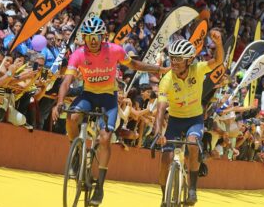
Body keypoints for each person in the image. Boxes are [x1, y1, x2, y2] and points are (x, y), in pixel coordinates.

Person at [51, 17, 169, 206]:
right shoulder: (78, 54)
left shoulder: (115, 50)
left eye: (96, 36)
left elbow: (136, 66)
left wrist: (161, 69)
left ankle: (100, 186)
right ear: (84, 38)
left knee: (105, 138)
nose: (93, 41)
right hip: (88, 95)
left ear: (103, 36)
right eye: (89, 37)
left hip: (108, 98)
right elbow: (67, 81)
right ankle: (76, 155)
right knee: (72, 116)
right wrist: (59, 102)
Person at [154, 29, 223, 206]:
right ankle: (164, 197)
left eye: (178, 59)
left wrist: (219, 44)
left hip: (194, 119)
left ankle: (192, 188)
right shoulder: (167, 79)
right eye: (172, 58)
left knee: (192, 144)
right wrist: (157, 133)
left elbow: (218, 61)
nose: (174, 62)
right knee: (165, 159)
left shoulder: (198, 69)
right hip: (175, 121)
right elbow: (161, 109)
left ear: (189, 60)